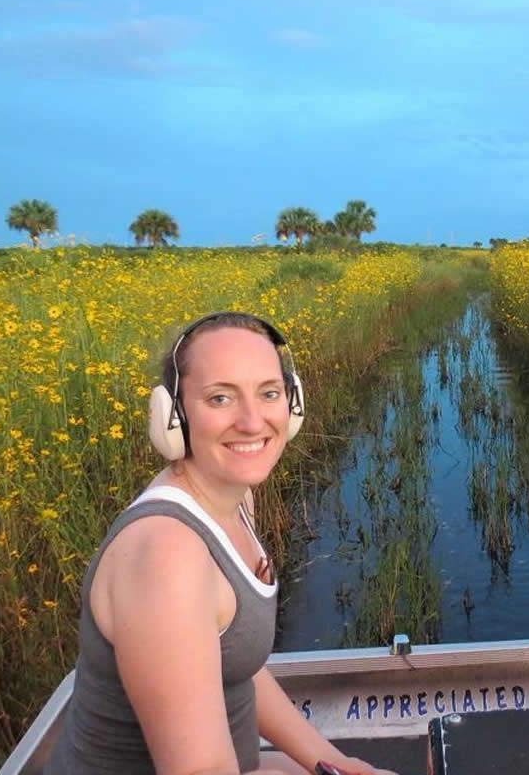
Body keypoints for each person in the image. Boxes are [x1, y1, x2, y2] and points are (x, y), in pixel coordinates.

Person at [46, 312, 396, 775]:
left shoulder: (234, 499)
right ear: (173, 415)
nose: (252, 422)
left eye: (269, 393)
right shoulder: (167, 556)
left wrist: (331, 761)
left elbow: (237, 662)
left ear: (293, 404)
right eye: (220, 398)